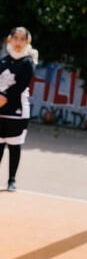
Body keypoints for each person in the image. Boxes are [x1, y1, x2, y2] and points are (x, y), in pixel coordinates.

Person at [0, 27, 38, 191]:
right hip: (0, 108)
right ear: (10, 39)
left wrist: (5, 97)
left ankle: (12, 180)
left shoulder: (28, 62)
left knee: (14, 145)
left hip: (17, 110)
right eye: (16, 38)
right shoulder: (3, 61)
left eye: (22, 39)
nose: (18, 42)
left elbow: (22, 85)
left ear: (27, 42)